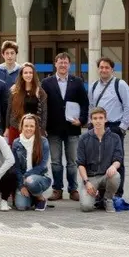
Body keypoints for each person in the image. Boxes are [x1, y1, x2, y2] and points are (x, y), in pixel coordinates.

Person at [41, 52, 88, 202]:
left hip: (72, 128)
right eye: (60, 62)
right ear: (55, 64)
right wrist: (43, 126)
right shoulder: (46, 82)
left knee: (72, 162)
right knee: (55, 161)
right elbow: (43, 106)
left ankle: (73, 189)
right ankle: (57, 189)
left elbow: (85, 103)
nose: (62, 65)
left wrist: (81, 120)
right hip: (53, 128)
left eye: (65, 62)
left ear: (69, 65)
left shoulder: (78, 81)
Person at [88, 57, 129, 199]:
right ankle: (101, 193)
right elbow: (91, 107)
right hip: (97, 127)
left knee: (117, 161)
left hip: (114, 127)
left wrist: (122, 128)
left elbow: (128, 108)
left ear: (112, 69)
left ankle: (117, 194)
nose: (104, 70)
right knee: (98, 160)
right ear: (98, 69)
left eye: (107, 67)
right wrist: (91, 124)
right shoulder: (94, 86)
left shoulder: (120, 85)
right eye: (101, 67)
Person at [77, 107, 123, 213]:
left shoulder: (115, 138)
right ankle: (97, 197)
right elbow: (80, 164)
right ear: (91, 120)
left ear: (105, 120)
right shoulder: (83, 139)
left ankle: (108, 199)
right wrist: (86, 182)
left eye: (101, 118)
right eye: (95, 118)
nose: (98, 121)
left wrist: (113, 166)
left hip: (106, 176)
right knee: (86, 207)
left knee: (115, 175)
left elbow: (118, 158)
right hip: (90, 178)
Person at [12, 114, 51, 211]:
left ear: (36, 127)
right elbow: (16, 167)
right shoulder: (16, 143)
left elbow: (42, 165)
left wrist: (26, 176)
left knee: (31, 181)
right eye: (26, 126)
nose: (29, 128)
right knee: (21, 206)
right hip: (23, 180)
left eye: (32, 126)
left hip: (40, 178)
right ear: (21, 127)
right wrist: (21, 186)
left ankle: (40, 198)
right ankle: (32, 198)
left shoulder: (43, 141)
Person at [5, 62, 47, 145]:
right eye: (25, 73)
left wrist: (42, 129)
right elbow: (9, 110)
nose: (28, 75)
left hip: (32, 129)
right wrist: (7, 128)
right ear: (21, 75)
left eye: (30, 72)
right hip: (16, 127)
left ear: (34, 74)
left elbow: (44, 112)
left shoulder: (40, 91)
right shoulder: (14, 90)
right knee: (16, 156)